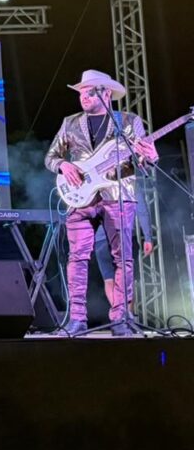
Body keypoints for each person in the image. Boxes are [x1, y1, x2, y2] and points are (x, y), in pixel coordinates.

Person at [44, 70, 158, 337]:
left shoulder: (128, 121)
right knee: (77, 258)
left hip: (118, 197)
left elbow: (141, 165)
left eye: (89, 92)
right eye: (81, 92)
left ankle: (121, 319)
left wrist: (150, 157)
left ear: (106, 93)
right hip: (80, 197)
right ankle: (77, 320)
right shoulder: (70, 123)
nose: (83, 96)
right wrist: (62, 165)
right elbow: (50, 157)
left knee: (123, 259)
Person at [93, 187, 154, 306]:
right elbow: (142, 211)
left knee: (109, 279)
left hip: (102, 238)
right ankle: (127, 315)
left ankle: (117, 314)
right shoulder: (131, 183)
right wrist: (148, 238)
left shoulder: (97, 184)